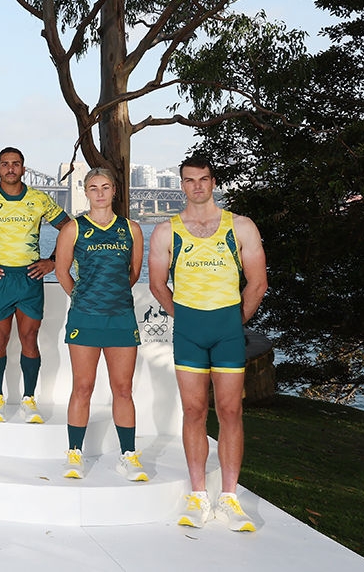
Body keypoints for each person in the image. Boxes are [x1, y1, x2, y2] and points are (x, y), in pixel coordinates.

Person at [149, 155, 267, 532]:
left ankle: (230, 497)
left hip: (227, 327)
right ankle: (198, 494)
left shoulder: (241, 226)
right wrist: (182, 316)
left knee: (231, 411)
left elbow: (257, 282)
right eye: (189, 180)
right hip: (189, 330)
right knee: (194, 411)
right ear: (181, 184)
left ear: (213, 182)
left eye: (203, 179)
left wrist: (236, 320)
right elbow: (156, 284)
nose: (197, 186)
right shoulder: (167, 231)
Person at [0, 147, 70, 423]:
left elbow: (70, 230)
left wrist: (53, 262)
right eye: (5, 164)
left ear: (23, 168)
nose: (11, 168)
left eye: (16, 164)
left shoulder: (39, 199)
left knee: (29, 339)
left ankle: (29, 399)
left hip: (30, 277)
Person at [53, 168, 146, 481]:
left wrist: (112, 296)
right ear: (86, 191)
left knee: (123, 389)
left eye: (106, 187)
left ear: (115, 190)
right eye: (94, 188)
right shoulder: (73, 229)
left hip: (120, 317)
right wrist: (83, 298)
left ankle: (128, 455)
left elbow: (132, 273)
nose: (100, 193)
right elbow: (62, 270)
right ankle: (74, 453)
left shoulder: (131, 229)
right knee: (83, 387)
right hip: (85, 318)